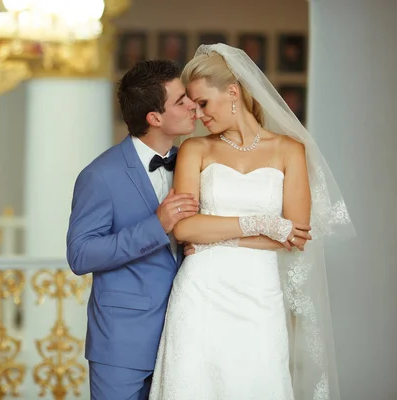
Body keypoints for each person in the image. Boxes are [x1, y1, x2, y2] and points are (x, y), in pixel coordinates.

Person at [149, 44, 355, 399]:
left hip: (258, 292)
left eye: (202, 103)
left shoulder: (289, 150)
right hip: (202, 291)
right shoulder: (196, 150)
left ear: (232, 92)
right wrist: (260, 222)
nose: (197, 115)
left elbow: (296, 235)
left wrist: (219, 234)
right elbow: (184, 228)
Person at [66, 60, 199, 400]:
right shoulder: (99, 176)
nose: (193, 105)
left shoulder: (193, 161)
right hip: (122, 344)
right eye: (181, 100)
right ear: (154, 118)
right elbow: (81, 255)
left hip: (186, 335)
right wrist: (156, 226)